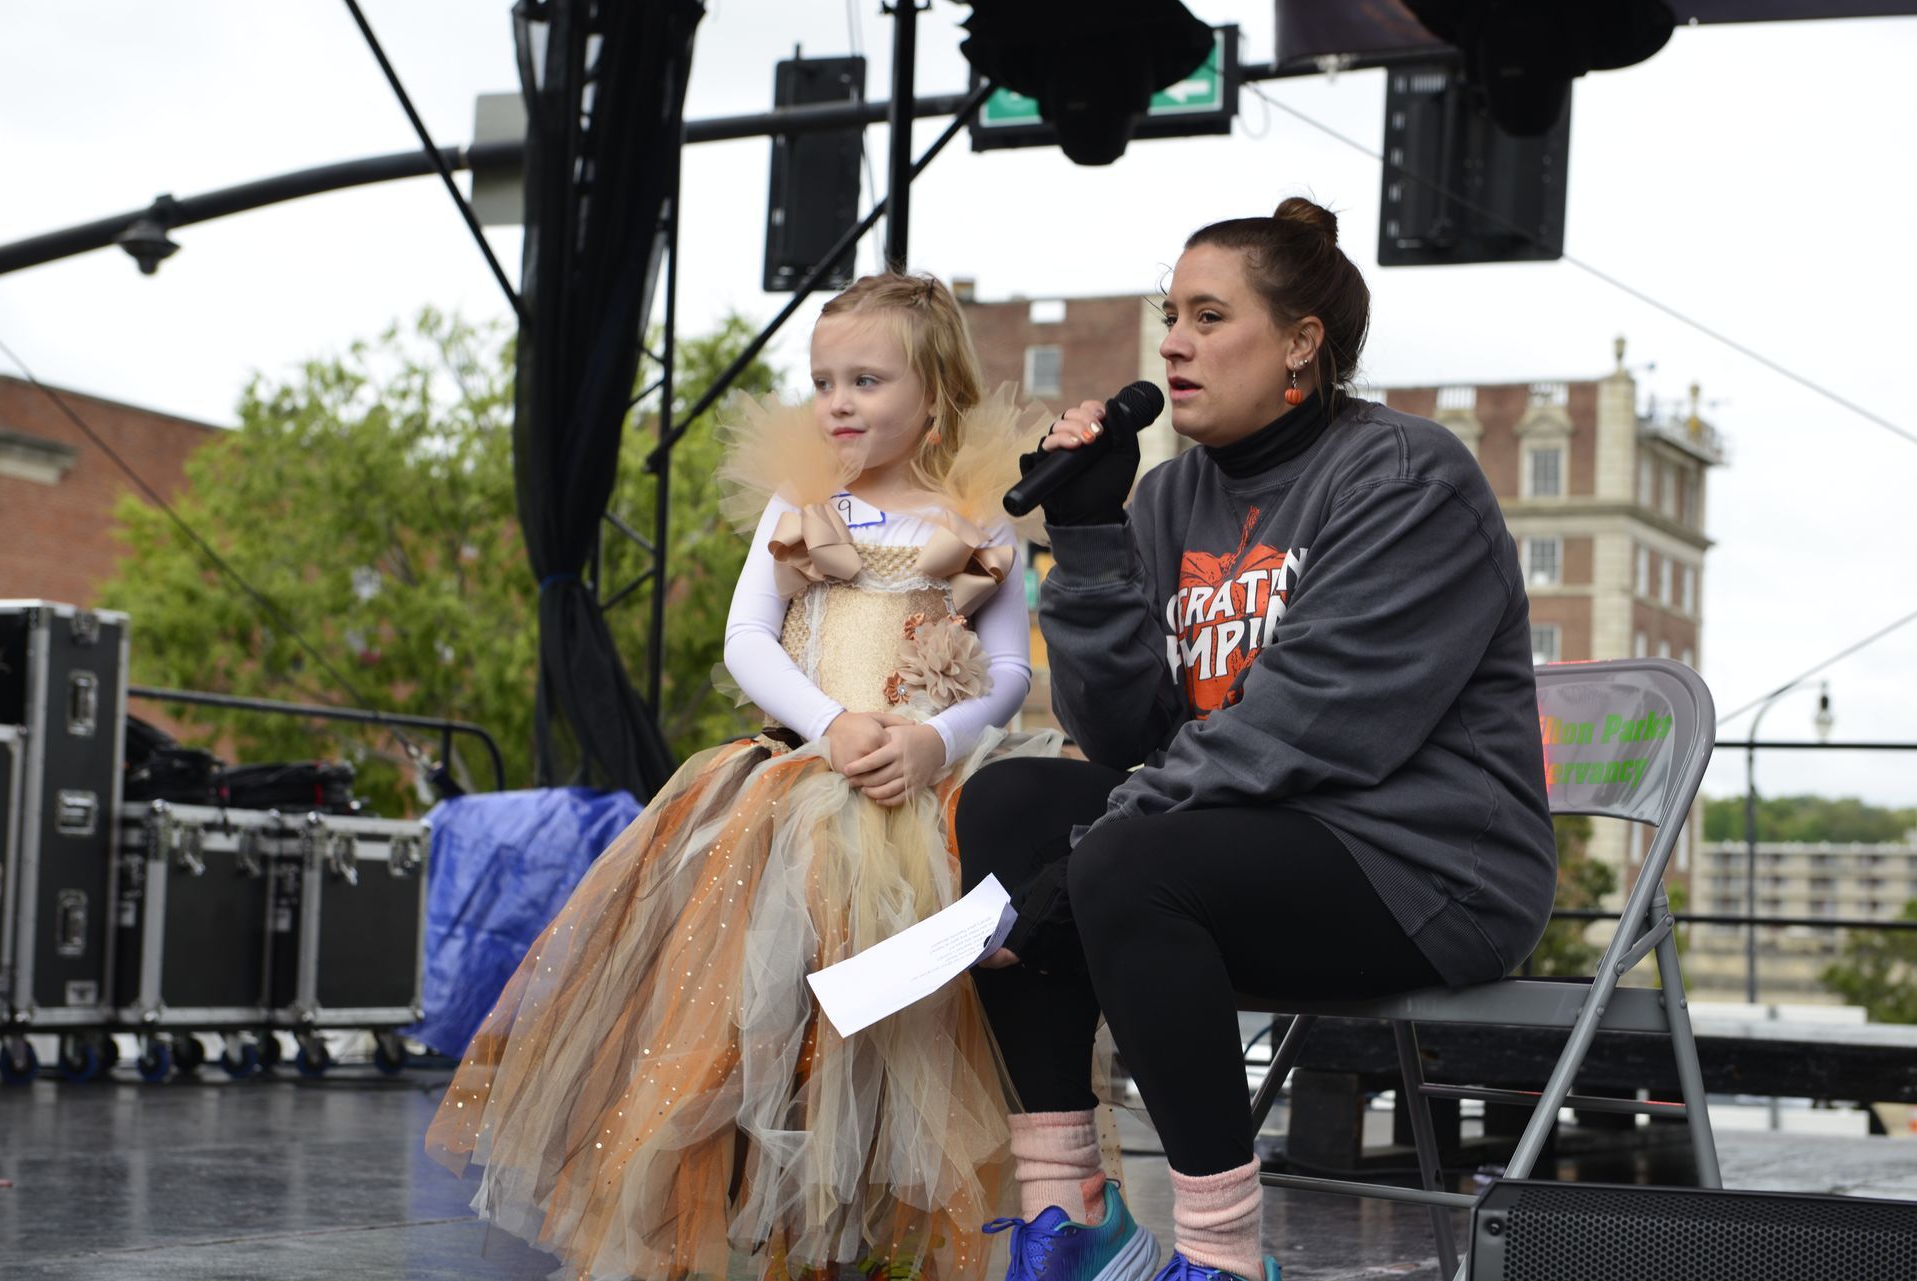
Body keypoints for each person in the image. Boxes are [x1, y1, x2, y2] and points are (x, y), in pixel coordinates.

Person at [954, 199, 1558, 1281]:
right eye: (1168, 315)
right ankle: (1072, 1225)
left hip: (1424, 865)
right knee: (1008, 808)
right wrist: (1090, 540)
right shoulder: (1174, 494)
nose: (1172, 342)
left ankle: (1222, 1260)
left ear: (1299, 343)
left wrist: (1095, 853)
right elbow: (1119, 730)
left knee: (1125, 859)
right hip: (1243, 841)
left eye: (1207, 315)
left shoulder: (1405, 478)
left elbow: (1306, 722)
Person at [427, 271, 1064, 1281]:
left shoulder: (977, 522)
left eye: (867, 379)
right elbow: (748, 639)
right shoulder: (808, 506)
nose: (839, 403)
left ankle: (859, 1235)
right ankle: (741, 1221)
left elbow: (1008, 670)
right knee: (751, 1011)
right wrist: (828, 725)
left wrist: (934, 741)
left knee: (897, 1036)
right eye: (824, 382)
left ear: (935, 392)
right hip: (797, 784)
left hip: (914, 796)